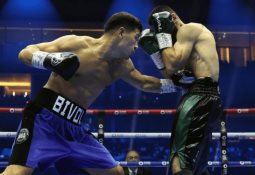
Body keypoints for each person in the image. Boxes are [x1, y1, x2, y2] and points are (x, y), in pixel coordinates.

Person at [0, 12, 181, 175]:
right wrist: (50, 60)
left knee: (116, 173)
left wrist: (179, 85)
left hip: (75, 129)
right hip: (43, 120)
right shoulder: (76, 44)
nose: (136, 46)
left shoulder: (122, 65)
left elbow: (145, 83)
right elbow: (25, 53)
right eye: (135, 38)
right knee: (16, 173)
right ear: (121, 32)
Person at [139, 5, 224, 175]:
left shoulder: (188, 30)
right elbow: (172, 76)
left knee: (179, 161)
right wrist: (155, 54)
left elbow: (171, 64)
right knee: (198, 166)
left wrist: (162, 36)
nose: (160, 35)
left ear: (171, 19)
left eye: (159, 28)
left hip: (198, 97)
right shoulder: (182, 45)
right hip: (207, 97)